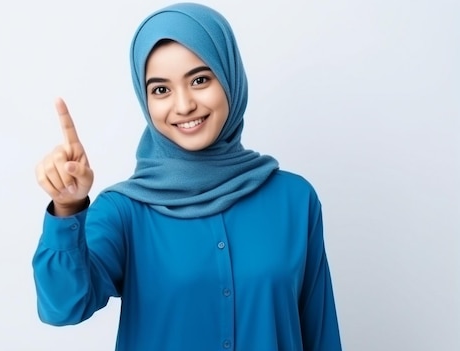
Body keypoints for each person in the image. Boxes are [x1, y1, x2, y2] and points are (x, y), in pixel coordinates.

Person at [32, 2, 342, 350]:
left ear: (229, 77)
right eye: (161, 89)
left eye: (199, 80)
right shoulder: (124, 212)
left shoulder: (294, 199)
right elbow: (63, 306)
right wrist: (67, 207)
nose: (183, 106)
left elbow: (320, 332)